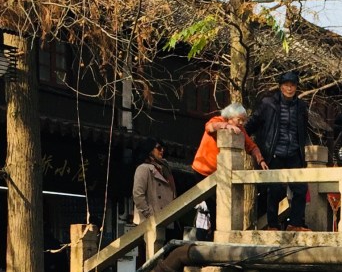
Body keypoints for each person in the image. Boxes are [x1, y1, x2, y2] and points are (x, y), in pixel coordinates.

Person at [191, 102, 268, 237]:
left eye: (243, 121)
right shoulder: (218, 120)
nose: (241, 123)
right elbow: (209, 127)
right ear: (230, 117)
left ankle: (215, 234)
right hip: (202, 170)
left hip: (219, 174)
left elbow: (252, 146)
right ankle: (211, 234)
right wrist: (226, 126)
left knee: (220, 206)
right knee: (213, 204)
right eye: (239, 120)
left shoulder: (241, 130)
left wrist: (260, 159)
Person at [246, 69, 310, 229]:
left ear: (296, 88)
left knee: (301, 189)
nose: (289, 88)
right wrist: (240, 134)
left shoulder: (301, 107)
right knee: (274, 189)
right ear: (281, 87)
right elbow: (253, 123)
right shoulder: (269, 103)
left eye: (293, 85)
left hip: (294, 152)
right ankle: (272, 225)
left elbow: (304, 130)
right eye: (286, 85)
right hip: (274, 152)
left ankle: (295, 224)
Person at [132, 139, 176, 225]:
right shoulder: (143, 168)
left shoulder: (164, 168)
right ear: (150, 150)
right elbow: (138, 194)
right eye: (159, 148)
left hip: (163, 219)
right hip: (147, 223)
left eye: (163, 148)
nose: (162, 150)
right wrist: (149, 216)